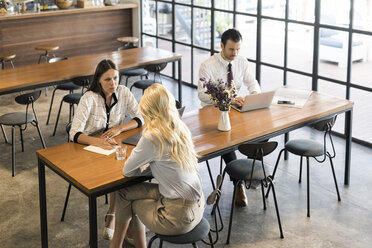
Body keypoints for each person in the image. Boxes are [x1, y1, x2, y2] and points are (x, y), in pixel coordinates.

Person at [110, 83, 204, 248]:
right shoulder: (180, 128)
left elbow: (127, 170)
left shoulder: (152, 136)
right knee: (129, 192)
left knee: (127, 195)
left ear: (148, 111)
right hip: (197, 206)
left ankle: (117, 245)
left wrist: (146, 161)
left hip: (177, 218)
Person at [69, 59, 143, 240]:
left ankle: (114, 215)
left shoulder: (124, 92)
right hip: (89, 148)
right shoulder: (89, 98)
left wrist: (120, 128)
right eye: (108, 79)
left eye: (116, 78)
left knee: (126, 171)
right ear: (99, 80)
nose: (113, 84)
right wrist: (95, 142)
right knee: (119, 173)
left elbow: (141, 117)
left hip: (113, 144)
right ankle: (118, 219)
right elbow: (74, 133)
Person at [198, 28, 261, 207]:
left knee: (263, 131)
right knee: (226, 141)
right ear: (222, 46)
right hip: (213, 112)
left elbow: (252, 83)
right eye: (231, 49)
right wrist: (227, 98)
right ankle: (239, 183)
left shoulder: (242, 61)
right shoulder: (207, 65)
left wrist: (253, 97)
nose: (235, 53)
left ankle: (250, 171)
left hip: (235, 109)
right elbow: (202, 95)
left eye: (238, 49)